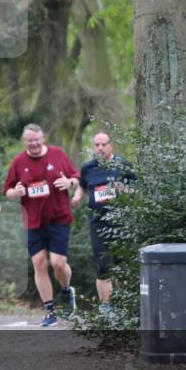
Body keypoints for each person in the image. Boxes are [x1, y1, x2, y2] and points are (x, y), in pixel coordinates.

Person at [2, 124, 79, 327]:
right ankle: (49, 311)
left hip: (58, 218)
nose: (34, 143)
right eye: (30, 140)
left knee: (58, 263)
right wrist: (16, 192)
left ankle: (66, 290)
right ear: (24, 141)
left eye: (37, 139)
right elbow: (7, 190)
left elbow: (76, 177)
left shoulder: (58, 154)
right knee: (39, 263)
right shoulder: (19, 162)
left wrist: (69, 183)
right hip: (33, 221)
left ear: (43, 138)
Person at [72, 131, 136, 319]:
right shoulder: (88, 168)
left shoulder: (123, 165)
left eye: (103, 144)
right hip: (98, 222)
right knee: (103, 268)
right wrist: (77, 197)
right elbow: (83, 186)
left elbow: (137, 190)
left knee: (123, 267)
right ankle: (107, 310)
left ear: (111, 146)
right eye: (96, 145)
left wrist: (123, 189)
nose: (100, 148)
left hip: (121, 222)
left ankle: (126, 307)